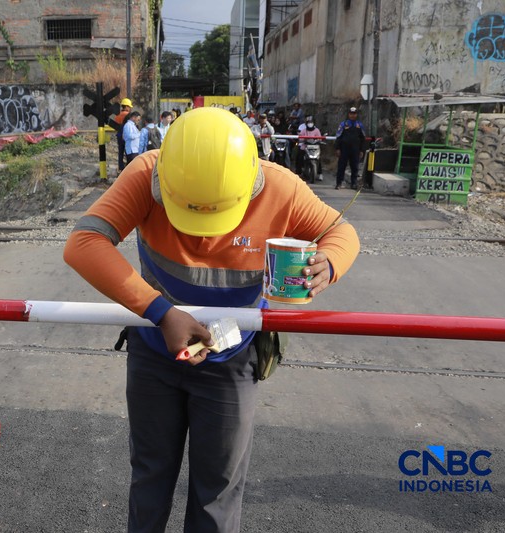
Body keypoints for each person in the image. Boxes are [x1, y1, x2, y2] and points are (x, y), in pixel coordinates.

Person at [63, 107, 359, 532]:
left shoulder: (280, 187)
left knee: (217, 491)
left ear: (249, 180)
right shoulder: (147, 174)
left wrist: (327, 264)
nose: (202, 232)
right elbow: (83, 243)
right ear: (165, 174)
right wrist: (161, 313)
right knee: (150, 476)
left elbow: (342, 233)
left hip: (230, 364)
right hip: (155, 358)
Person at [335, 106, 367, 190]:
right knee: (341, 166)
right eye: (351, 114)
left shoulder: (359, 125)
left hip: (355, 150)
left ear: (356, 115)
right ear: (348, 114)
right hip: (344, 149)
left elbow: (363, 139)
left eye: (354, 114)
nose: (352, 115)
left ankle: (354, 183)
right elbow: (338, 137)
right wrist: (337, 148)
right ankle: (339, 183)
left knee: (355, 167)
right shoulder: (343, 124)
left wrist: (361, 150)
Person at [296, 115, 324, 181]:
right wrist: (302, 140)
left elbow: (320, 138)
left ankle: (320, 173)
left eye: (311, 122)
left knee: (318, 159)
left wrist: (318, 140)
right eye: (309, 122)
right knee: (300, 156)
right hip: (305, 147)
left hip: (315, 148)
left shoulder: (317, 130)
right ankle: (299, 172)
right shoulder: (303, 130)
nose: (310, 124)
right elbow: (300, 137)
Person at [113, 98, 134, 172]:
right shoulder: (129, 115)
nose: (130, 109)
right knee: (128, 151)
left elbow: (115, 125)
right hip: (126, 135)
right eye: (129, 107)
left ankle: (121, 167)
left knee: (120, 151)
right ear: (127, 107)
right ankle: (129, 166)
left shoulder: (117, 115)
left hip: (119, 134)